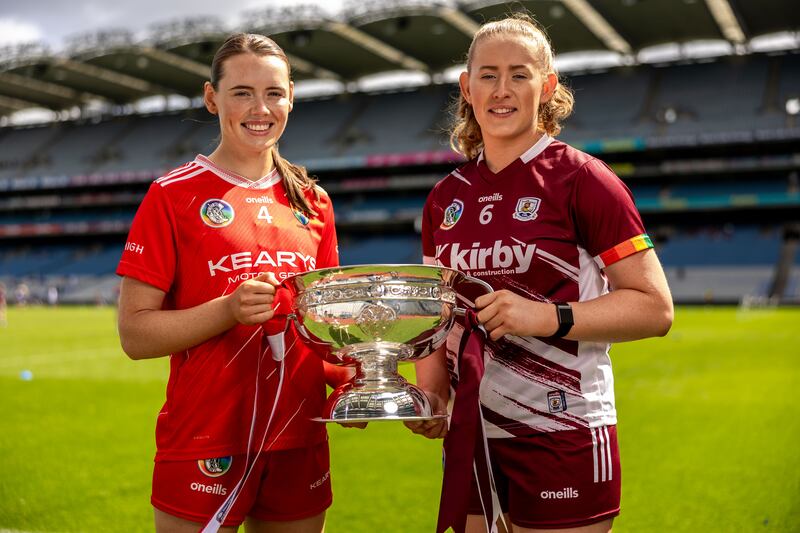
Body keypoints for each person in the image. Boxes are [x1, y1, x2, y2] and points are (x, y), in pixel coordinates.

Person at [406, 14, 673, 533]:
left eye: (519, 74)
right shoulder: (444, 198)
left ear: (547, 85)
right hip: (474, 438)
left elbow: (655, 307)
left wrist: (547, 316)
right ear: (466, 87)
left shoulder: (584, 179)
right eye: (487, 75)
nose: (501, 90)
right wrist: (432, 395)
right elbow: (437, 311)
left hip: (563, 430)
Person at [117, 33, 343, 533]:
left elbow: (325, 330)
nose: (260, 107)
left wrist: (356, 383)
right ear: (211, 97)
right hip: (204, 439)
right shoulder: (171, 196)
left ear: (292, 97)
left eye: (274, 93)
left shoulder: (313, 202)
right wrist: (227, 310)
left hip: (298, 438)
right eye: (241, 92)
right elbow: (134, 336)